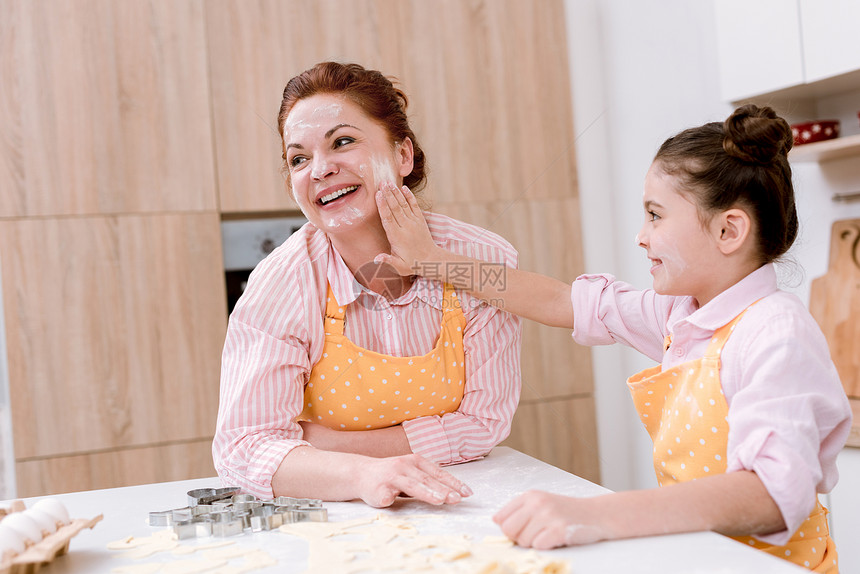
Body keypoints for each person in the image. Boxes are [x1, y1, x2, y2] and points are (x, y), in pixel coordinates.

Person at [374, 104, 851, 572]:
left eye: (656, 215)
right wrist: (434, 261)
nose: (641, 236)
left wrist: (595, 514)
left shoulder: (775, 332)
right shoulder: (679, 314)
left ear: (729, 230)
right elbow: (563, 302)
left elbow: (769, 495)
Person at [212, 62, 522, 509]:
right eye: (298, 158)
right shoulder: (281, 284)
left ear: (403, 156)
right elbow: (243, 448)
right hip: (332, 516)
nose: (319, 169)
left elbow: (484, 423)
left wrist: (321, 445)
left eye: (343, 141)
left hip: (462, 499)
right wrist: (364, 473)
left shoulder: (481, 262)